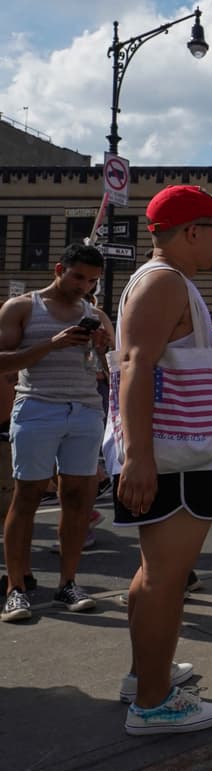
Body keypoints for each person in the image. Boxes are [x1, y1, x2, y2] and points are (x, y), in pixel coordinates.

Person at [112, 185, 212, 733]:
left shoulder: (167, 283)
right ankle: (154, 701)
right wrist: (140, 457)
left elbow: (151, 360)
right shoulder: (165, 282)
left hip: (169, 451)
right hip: (176, 455)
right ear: (192, 231)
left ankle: (146, 675)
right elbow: (136, 365)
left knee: (154, 575)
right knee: (168, 578)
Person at [0, 243, 111, 621]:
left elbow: (113, 367)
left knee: (80, 499)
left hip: (84, 411)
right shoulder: (23, 307)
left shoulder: (94, 313)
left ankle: (68, 582)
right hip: (37, 407)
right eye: (78, 276)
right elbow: (2, 362)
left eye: (92, 281)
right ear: (59, 268)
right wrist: (52, 343)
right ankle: (16, 587)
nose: (84, 286)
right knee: (27, 496)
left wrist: (104, 347)